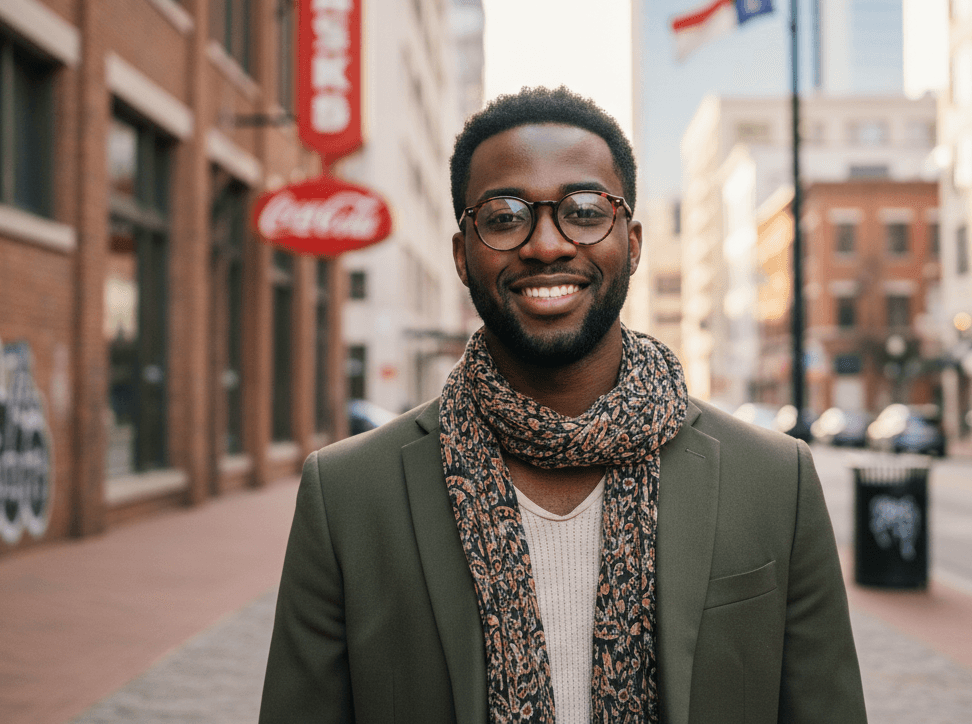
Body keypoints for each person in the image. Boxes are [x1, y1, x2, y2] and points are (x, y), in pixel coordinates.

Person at [260, 86, 866, 724]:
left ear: (631, 244)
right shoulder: (348, 494)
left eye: (583, 210)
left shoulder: (774, 480)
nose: (546, 244)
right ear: (463, 255)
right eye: (503, 215)